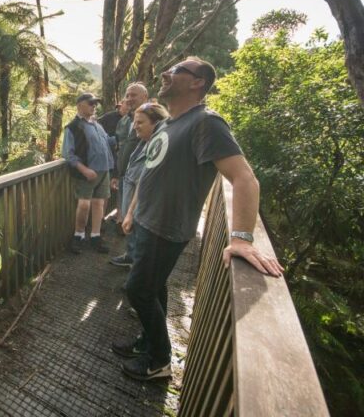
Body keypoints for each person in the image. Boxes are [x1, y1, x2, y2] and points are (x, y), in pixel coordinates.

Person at [112, 57, 284, 382]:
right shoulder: (168, 123)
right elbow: (150, 172)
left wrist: (241, 239)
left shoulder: (207, 122)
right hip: (147, 221)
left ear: (197, 82)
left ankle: (159, 362)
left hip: (167, 228)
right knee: (153, 288)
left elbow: (245, 179)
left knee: (137, 290)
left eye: (176, 70)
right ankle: (147, 344)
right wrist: (133, 211)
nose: (165, 72)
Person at [62, 92, 116, 254]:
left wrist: (125, 135)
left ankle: (95, 236)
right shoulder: (73, 127)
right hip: (87, 172)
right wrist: (84, 169)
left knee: (99, 204)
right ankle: (78, 236)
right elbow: (68, 154)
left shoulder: (97, 125)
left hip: (104, 170)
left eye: (95, 104)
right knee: (84, 205)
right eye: (90, 103)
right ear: (79, 105)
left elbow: (108, 141)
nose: (94, 106)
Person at [117, 102, 170, 268]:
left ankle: (135, 272)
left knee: (142, 245)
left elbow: (145, 181)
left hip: (143, 207)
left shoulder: (159, 146)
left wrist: (131, 212)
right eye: (135, 122)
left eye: (140, 122)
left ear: (156, 123)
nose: (135, 126)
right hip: (132, 196)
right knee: (134, 238)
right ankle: (131, 258)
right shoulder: (144, 142)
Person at [110, 84, 149, 238]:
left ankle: (135, 256)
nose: (130, 98)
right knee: (127, 213)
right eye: (128, 95)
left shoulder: (154, 117)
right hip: (124, 174)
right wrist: (116, 173)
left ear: (145, 96)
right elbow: (119, 149)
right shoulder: (124, 121)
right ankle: (129, 253)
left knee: (139, 216)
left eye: (134, 95)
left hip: (141, 175)